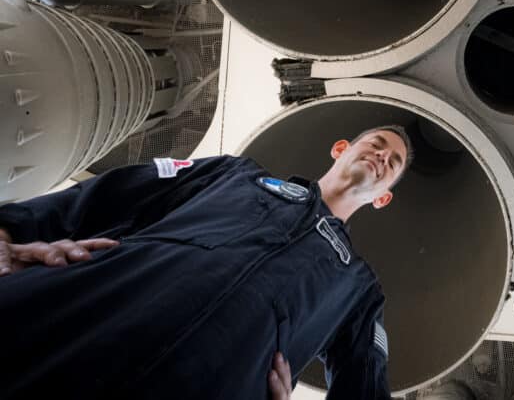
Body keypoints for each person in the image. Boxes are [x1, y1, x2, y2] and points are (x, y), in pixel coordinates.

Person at [0, 125, 413, 399]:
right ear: (341, 149)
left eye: (392, 163)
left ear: (383, 198)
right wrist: (6, 232)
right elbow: (111, 192)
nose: (381, 156)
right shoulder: (235, 175)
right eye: (375, 144)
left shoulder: (357, 288)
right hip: (85, 309)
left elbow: (364, 387)